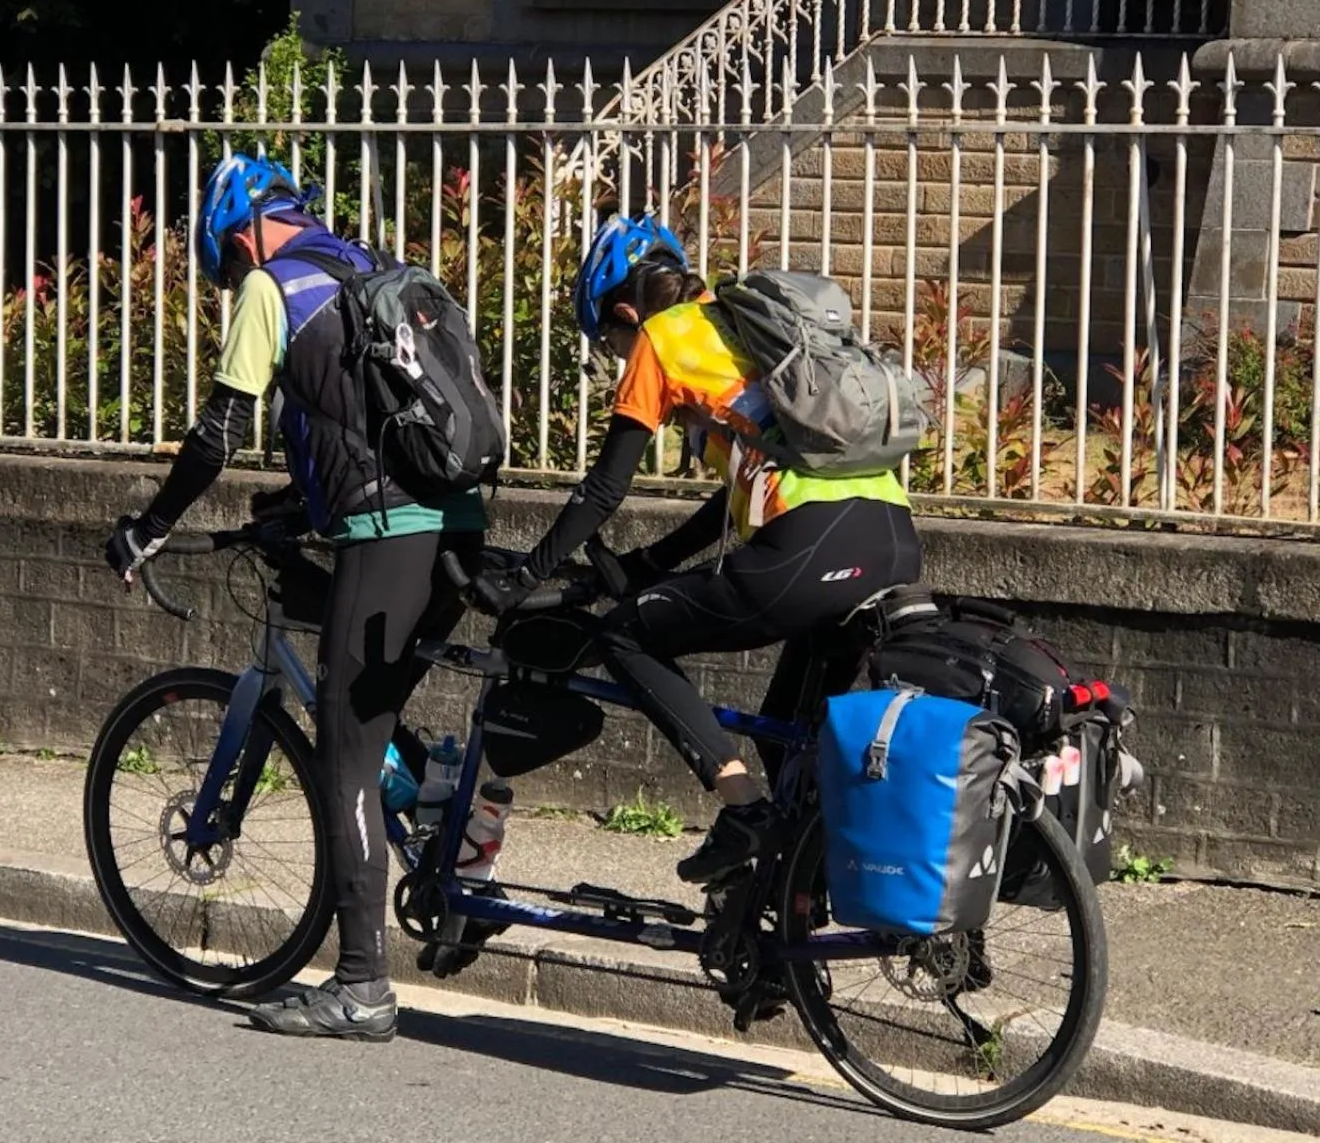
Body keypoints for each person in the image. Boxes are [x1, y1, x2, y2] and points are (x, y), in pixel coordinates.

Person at [103, 153, 486, 1043]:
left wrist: (149, 526)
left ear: (239, 235)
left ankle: (362, 988)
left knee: (344, 754)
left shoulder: (271, 288)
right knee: (373, 709)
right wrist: (296, 503)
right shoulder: (364, 266)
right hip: (457, 524)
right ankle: (445, 808)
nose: (233, 274)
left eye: (229, 260)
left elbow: (217, 435)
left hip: (388, 532)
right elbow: (360, 417)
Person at [472, 214, 922, 887]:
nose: (620, 356)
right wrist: (650, 563)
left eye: (612, 342)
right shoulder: (743, 327)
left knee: (624, 636)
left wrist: (524, 577)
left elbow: (604, 489)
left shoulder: (663, 338)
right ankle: (800, 907)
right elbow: (736, 492)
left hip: (808, 548)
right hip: (893, 539)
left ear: (626, 312)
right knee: (785, 731)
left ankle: (741, 809)